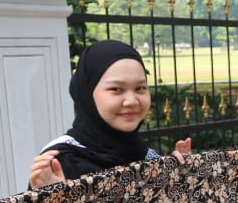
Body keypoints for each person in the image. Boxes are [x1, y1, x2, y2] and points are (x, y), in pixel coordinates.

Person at [29, 40, 191, 188]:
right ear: (87, 94)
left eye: (140, 88)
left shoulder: (147, 158)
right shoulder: (59, 163)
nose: (131, 101)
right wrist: (52, 200)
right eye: (116, 89)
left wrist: (181, 178)